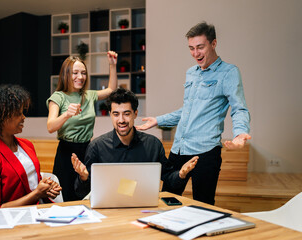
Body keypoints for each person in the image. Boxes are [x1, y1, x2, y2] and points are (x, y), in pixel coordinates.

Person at [136, 22, 251, 205]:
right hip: (179, 147)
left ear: (213, 43)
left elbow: (239, 108)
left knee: (203, 206)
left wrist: (239, 134)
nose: (195, 53)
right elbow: (188, 111)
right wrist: (158, 120)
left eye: (200, 47)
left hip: (205, 152)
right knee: (165, 201)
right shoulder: (191, 73)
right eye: (191, 48)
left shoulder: (228, 73)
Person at [71, 88, 198, 199]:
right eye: (116, 114)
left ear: (135, 114)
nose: (121, 120)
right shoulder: (97, 147)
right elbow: (82, 193)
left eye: (126, 114)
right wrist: (83, 178)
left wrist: (181, 174)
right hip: (109, 208)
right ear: (110, 114)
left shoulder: (153, 145)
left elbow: (168, 178)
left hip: (145, 207)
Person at [0, 84, 62, 209]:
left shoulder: (27, 145)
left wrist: (45, 185)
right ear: (0, 118)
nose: (23, 117)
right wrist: (36, 194)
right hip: (16, 220)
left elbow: (30, 181)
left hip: (39, 210)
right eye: (17, 114)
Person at [46, 51, 118, 201]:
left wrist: (112, 65)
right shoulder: (58, 97)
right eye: (75, 73)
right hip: (67, 153)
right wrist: (66, 114)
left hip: (88, 150)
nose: (80, 77)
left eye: (83, 73)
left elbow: (111, 90)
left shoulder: (89, 95)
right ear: (66, 74)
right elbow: (50, 127)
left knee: (88, 195)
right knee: (66, 196)